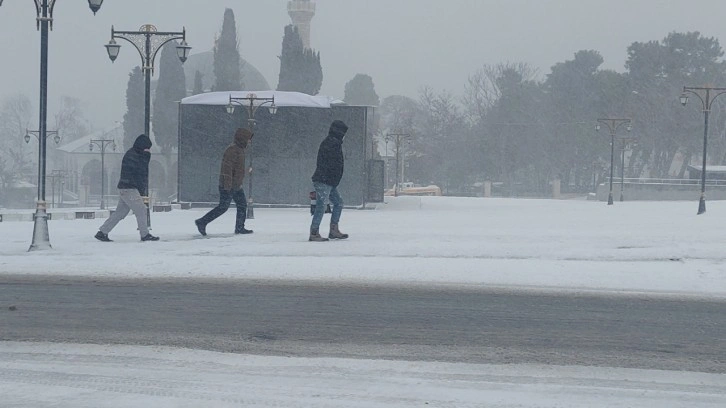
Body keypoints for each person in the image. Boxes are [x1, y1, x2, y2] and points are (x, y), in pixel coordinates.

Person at [95, 134, 159, 242]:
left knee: (120, 213)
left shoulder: (133, 153)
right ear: (143, 146)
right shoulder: (136, 155)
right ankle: (145, 235)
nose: (148, 150)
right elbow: (141, 171)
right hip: (130, 188)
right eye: (147, 148)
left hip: (126, 188)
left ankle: (102, 232)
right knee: (141, 209)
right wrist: (147, 156)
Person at [195, 128, 253, 236]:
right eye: (248, 139)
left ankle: (240, 227)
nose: (249, 142)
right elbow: (227, 169)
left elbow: (236, 169)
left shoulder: (239, 150)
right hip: (229, 185)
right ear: (243, 138)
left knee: (241, 205)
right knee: (223, 207)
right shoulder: (232, 150)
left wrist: (242, 175)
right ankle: (202, 222)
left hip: (235, 185)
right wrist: (228, 185)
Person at [309, 120, 349, 242]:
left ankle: (333, 229)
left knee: (338, 203)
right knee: (322, 205)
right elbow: (331, 163)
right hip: (324, 180)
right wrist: (332, 177)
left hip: (328, 181)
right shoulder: (331, 144)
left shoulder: (332, 142)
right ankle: (314, 232)